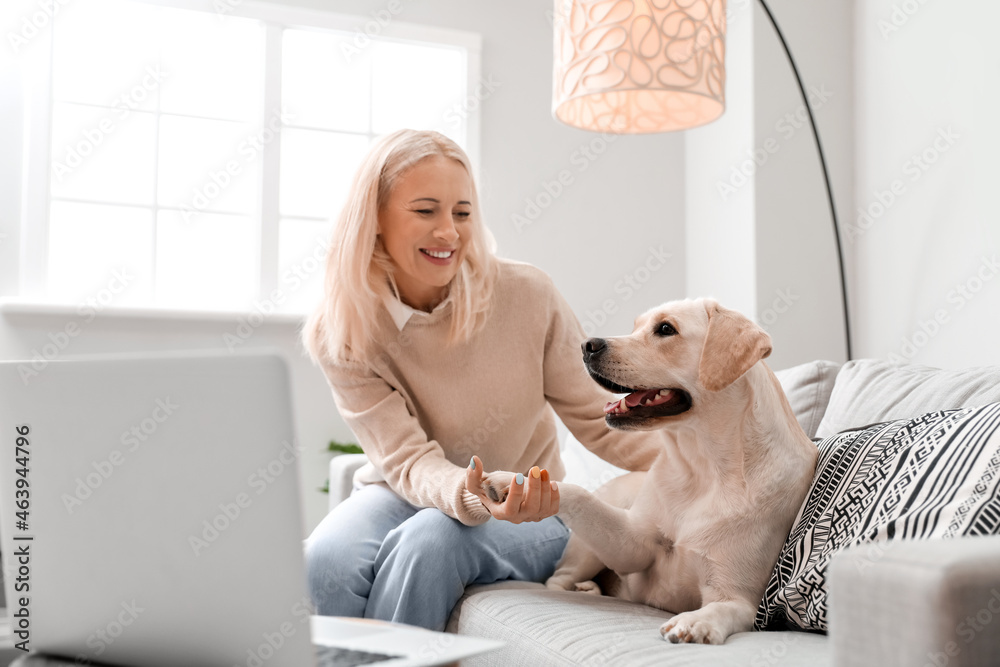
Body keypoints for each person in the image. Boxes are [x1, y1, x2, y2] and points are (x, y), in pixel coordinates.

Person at [301, 128, 662, 631]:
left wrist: (712, 465)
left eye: (463, 213)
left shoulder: (526, 296)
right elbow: (407, 460)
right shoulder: (343, 330)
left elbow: (600, 420)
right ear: (376, 218)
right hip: (404, 489)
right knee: (324, 561)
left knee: (433, 540)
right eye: (425, 211)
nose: (449, 232)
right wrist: (467, 492)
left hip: (530, 508)